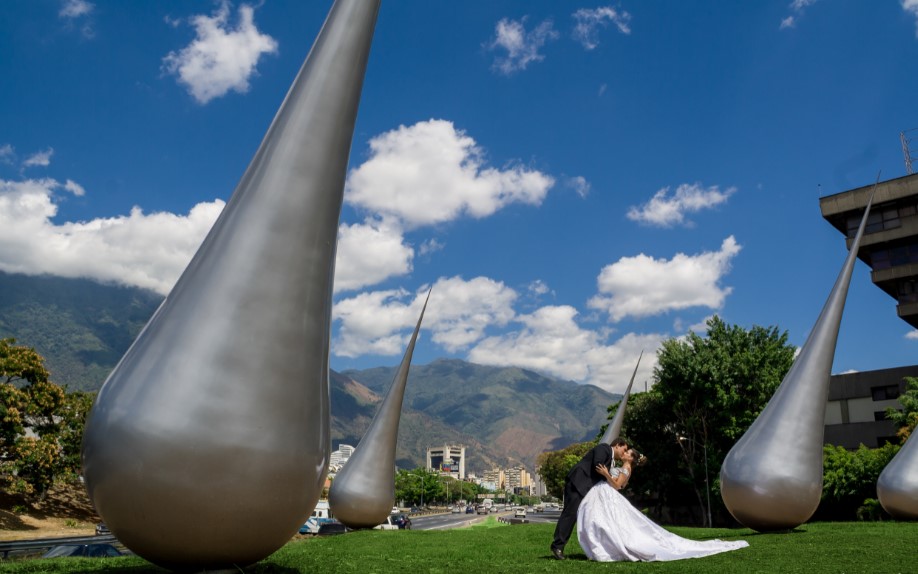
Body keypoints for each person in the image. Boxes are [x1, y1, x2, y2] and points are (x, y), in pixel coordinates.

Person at [577, 449, 749, 562]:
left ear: (631, 458)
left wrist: (606, 474)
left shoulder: (626, 468)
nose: (625, 452)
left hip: (611, 494)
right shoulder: (623, 466)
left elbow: (617, 485)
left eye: (628, 452)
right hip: (608, 497)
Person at [550, 437, 630, 560]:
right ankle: (557, 546)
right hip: (578, 483)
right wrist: (608, 476)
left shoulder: (610, 457)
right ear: (617, 445)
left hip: (584, 487)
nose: (624, 454)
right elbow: (597, 464)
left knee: (577, 516)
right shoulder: (604, 448)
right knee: (570, 514)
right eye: (624, 450)